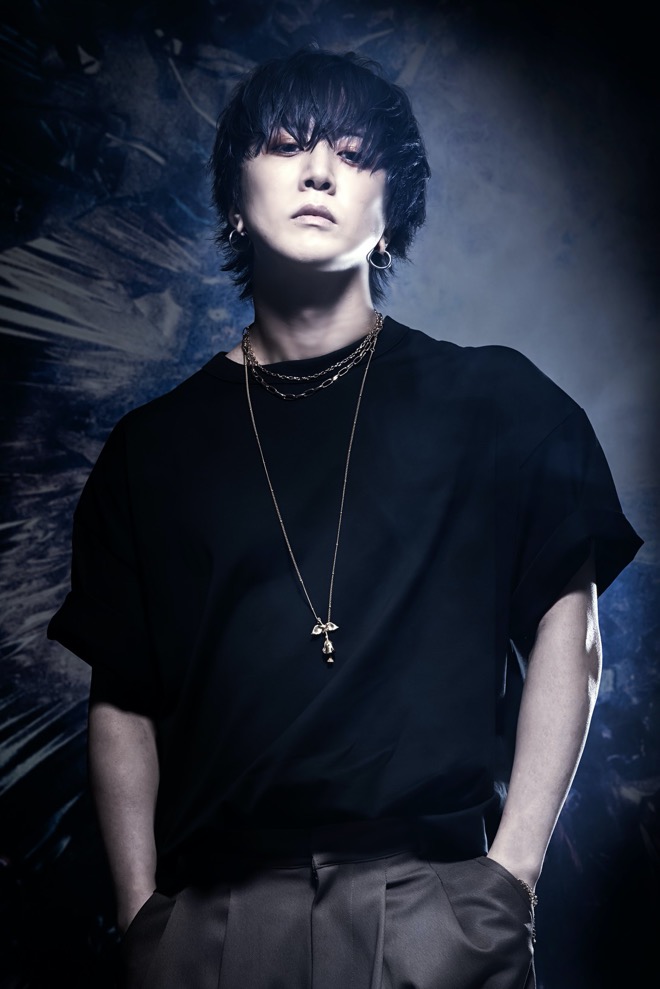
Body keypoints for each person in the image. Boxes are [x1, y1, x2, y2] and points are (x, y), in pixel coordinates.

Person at [48, 48, 642, 989]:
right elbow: (123, 699)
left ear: (390, 215)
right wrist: (142, 919)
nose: (320, 170)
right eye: (287, 145)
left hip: (435, 907)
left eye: (355, 154)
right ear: (234, 200)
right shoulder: (150, 451)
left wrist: (510, 878)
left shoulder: (499, 405)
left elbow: (571, 628)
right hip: (213, 925)